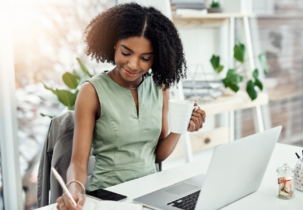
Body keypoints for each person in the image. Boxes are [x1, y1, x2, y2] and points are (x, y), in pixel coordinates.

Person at [56, 3, 206, 210]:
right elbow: (78, 163)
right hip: (109, 198)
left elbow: (157, 155)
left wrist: (181, 127)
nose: (134, 65)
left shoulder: (159, 87)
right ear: (114, 44)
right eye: (126, 52)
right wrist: (73, 190)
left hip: (151, 193)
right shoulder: (91, 91)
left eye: (145, 58)